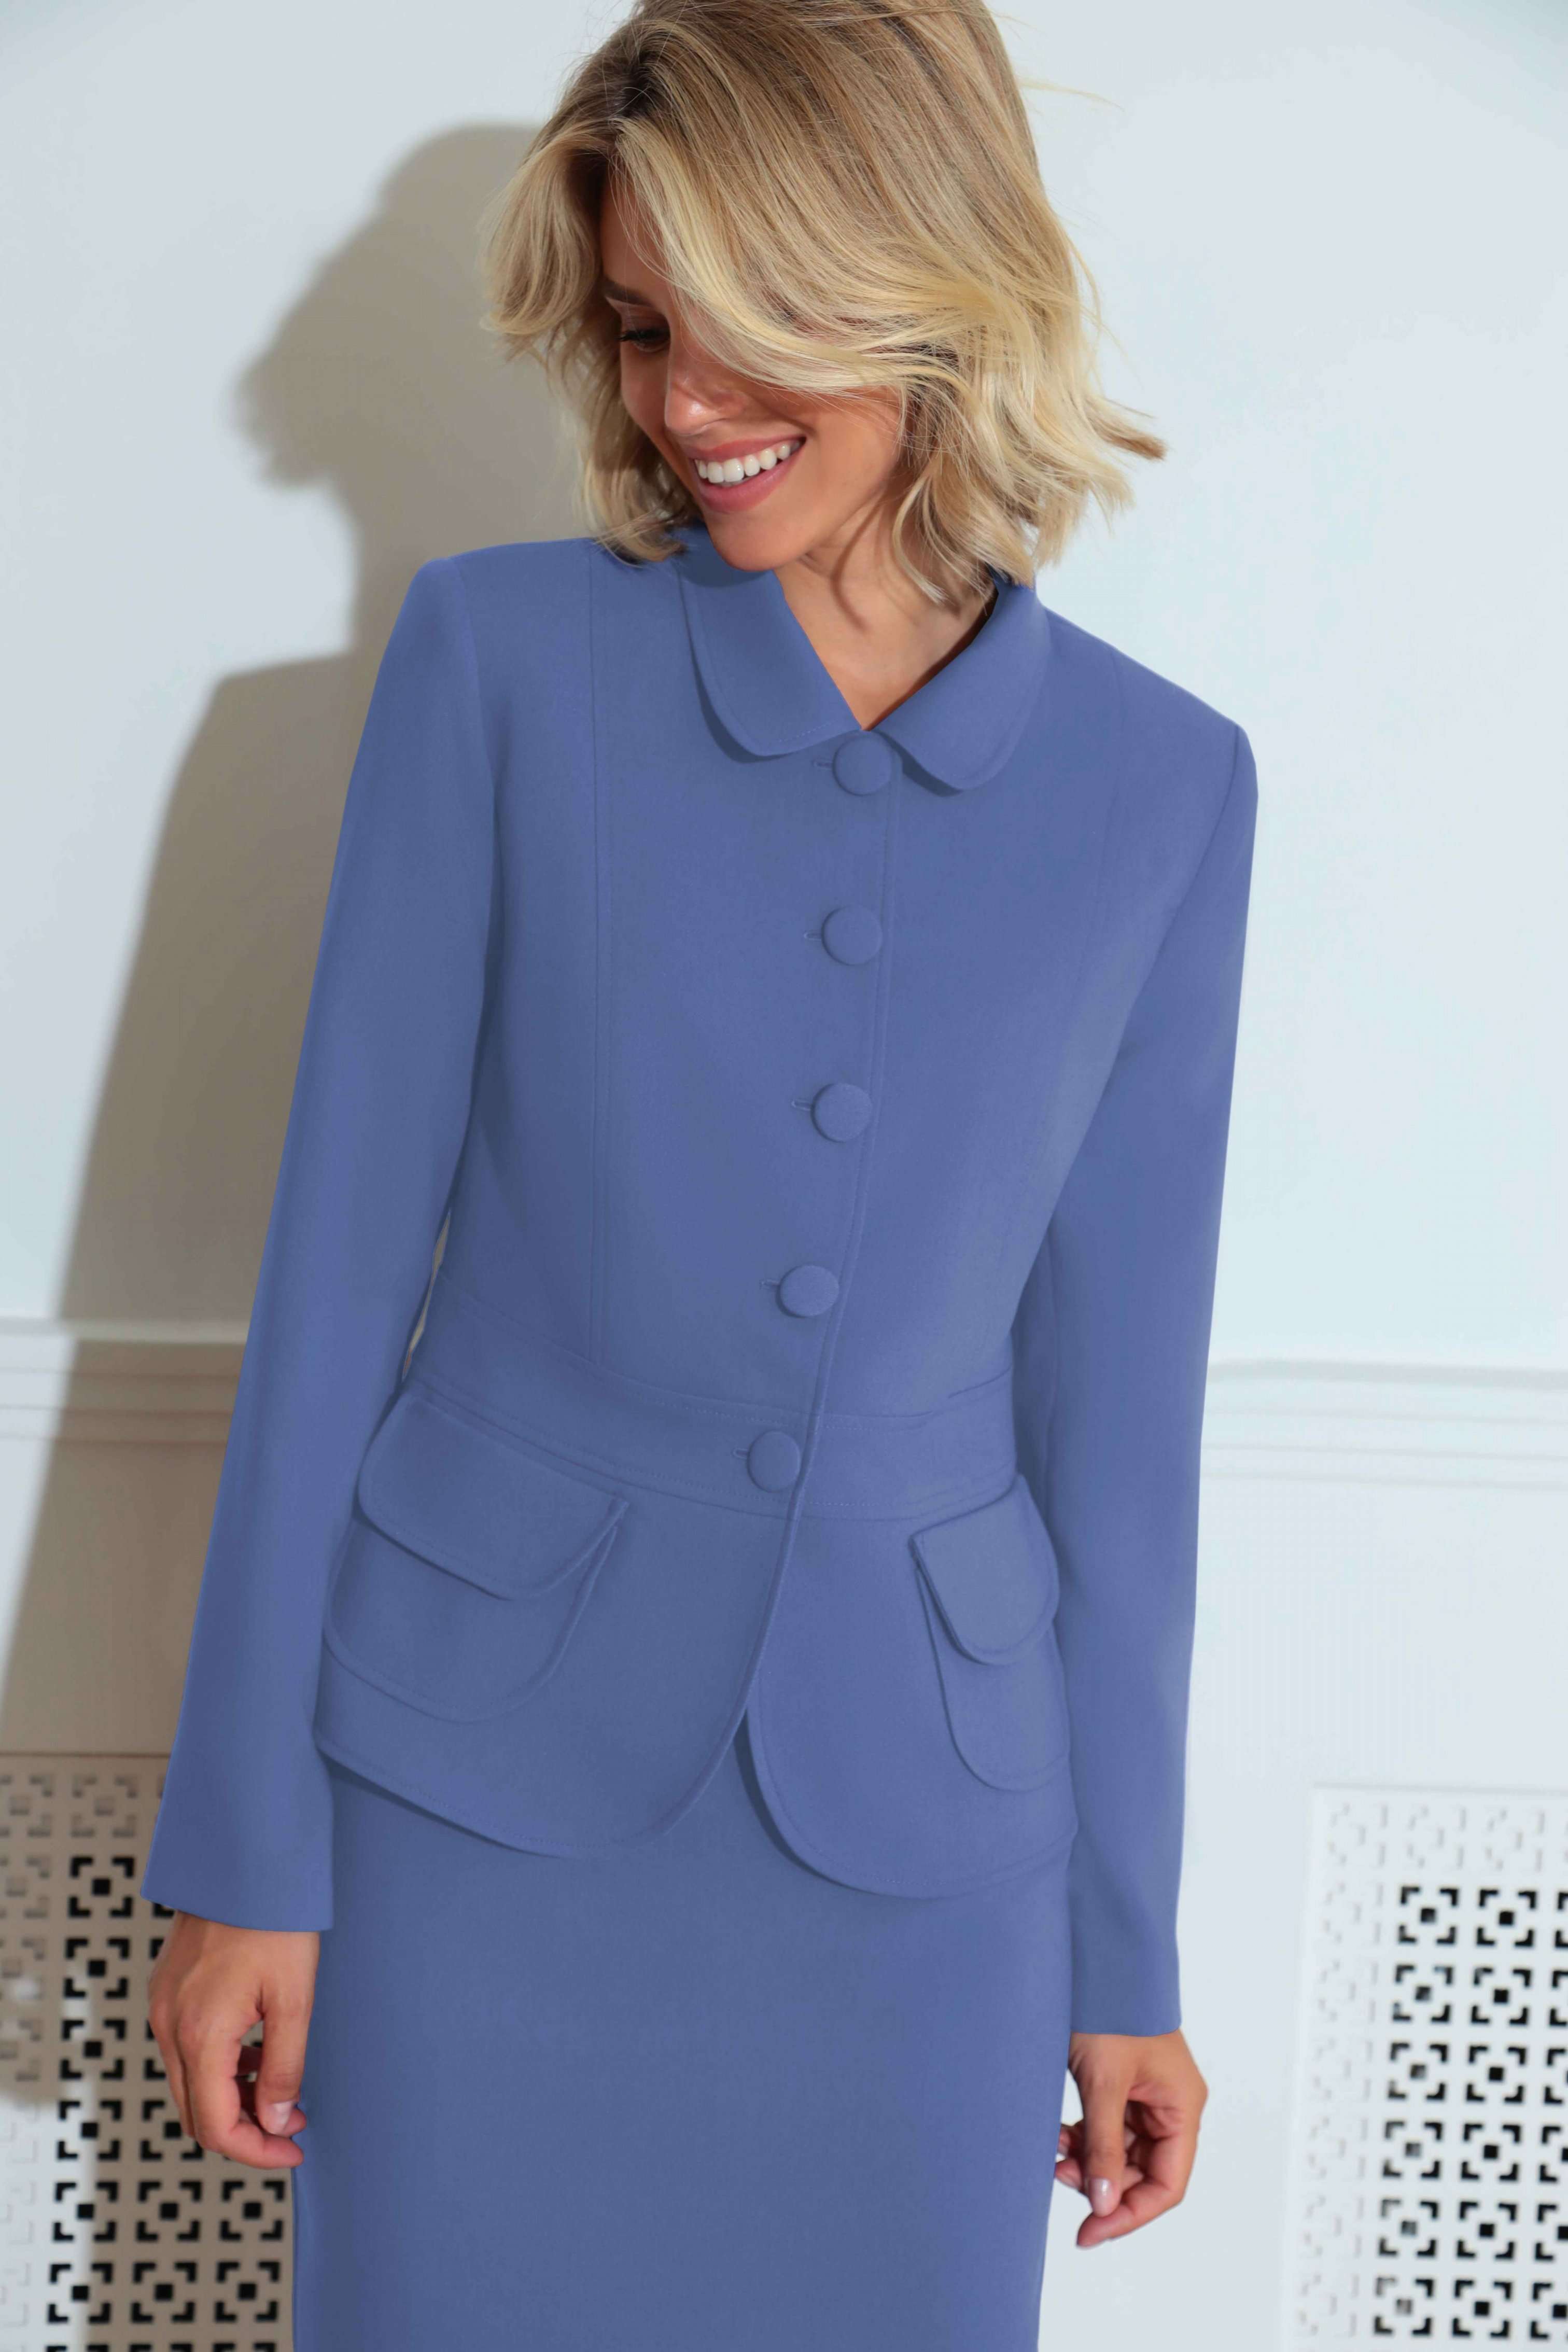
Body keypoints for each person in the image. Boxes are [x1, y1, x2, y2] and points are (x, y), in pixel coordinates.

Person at [142, 2, 1258, 2344]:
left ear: (926, 290)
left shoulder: (1162, 790)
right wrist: (247, 1855)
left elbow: (1118, 1430)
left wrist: (1124, 1954)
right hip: (472, 1810)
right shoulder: (498, 666)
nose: (680, 402)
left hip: (929, 1871)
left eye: (750, 325)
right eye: (646, 329)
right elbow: (333, 1285)